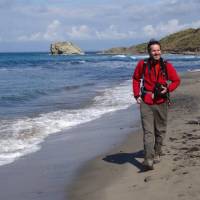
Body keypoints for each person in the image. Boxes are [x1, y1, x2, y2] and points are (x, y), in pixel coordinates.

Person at [132, 39, 180, 170]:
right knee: (148, 132)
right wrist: (136, 95)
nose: (156, 52)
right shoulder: (142, 64)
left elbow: (176, 80)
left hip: (161, 102)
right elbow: (136, 78)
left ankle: (157, 152)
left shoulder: (166, 65)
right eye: (153, 50)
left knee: (160, 130)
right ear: (149, 52)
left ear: (161, 51)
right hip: (146, 102)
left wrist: (168, 89)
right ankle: (148, 159)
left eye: (158, 50)